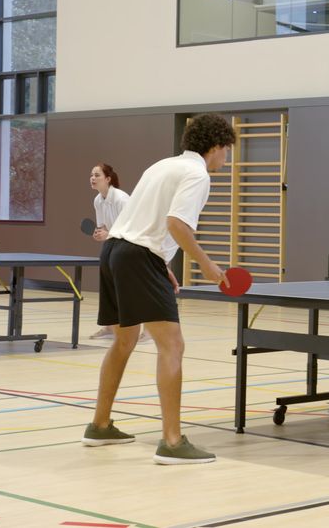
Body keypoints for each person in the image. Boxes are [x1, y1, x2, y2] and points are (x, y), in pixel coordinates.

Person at [81, 113, 233, 465]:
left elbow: (138, 222)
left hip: (115, 251)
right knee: (173, 344)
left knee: (124, 340)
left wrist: (162, 266)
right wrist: (207, 265)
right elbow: (176, 224)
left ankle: (100, 425)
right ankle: (173, 442)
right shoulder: (197, 175)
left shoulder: (161, 166)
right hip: (138, 257)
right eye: (227, 150)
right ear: (215, 147)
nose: (227, 157)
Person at [88, 163, 130, 339]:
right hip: (111, 244)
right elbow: (103, 227)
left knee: (125, 288)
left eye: (97, 175)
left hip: (128, 245)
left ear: (108, 179)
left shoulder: (122, 199)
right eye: (91, 175)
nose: (92, 178)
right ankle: (109, 326)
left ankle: (134, 328)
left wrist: (108, 233)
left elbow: (130, 228)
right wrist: (99, 233)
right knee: (106, 285)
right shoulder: (98, 200)